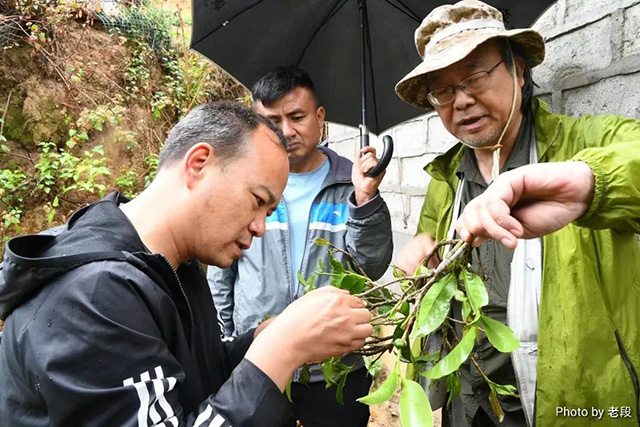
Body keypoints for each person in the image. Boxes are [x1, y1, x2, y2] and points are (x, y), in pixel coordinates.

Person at [0, 101, 374, 426]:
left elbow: (190, 377)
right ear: (198, 164)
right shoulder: (92, 297)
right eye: (258, 200)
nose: (261, 227)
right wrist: (282, 350)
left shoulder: (173, 266)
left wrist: (261, 338)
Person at [394, 1, 640, 426]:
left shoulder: (580, 145)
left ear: (519, 72)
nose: (462, 101)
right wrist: (418, 275)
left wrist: (591, 183)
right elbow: (431, 280)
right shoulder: (446, 177)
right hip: (470, 401)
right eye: (444, 91)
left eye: (473, 77)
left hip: (567, 402)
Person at [207, 66, 393, 427]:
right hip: (261, 362)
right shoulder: (244, 187)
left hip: (335, 367)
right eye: (273, 121)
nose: (287, 131)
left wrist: (365, 198)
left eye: (297, 117)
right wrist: (226, 341)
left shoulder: (349, 184)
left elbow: (370, 267)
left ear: (319, 117)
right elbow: (221, 271)